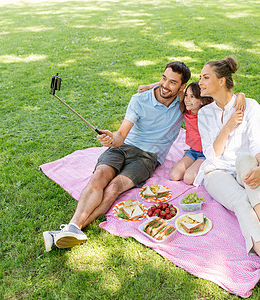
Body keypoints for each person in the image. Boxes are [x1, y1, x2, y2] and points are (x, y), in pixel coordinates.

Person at [43, 61, 191, 251]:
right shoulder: (139, 100)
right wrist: (112, 139)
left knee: (113, 188)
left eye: (172, 82)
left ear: (182, 87)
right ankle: (74, 227)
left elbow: (207, 89)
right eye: (163, 78)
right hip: (122, 147)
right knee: (99, 177)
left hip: (147, 157)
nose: (165, 85)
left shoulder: (183, 102)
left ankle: (69, 231)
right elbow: (121, 136)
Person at [196, 56, 260, 290]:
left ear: (222, 81)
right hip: (217, 172)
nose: (200, 82)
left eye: (205, 77)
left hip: (245, 166)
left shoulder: (250, 105)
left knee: (247, 159)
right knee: (242, 201)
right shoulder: (204, 114)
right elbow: (211, 156)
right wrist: (229, 124)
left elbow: (257, 145)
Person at [138, 81, 246, 185]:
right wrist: (149, 86)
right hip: (193, 151)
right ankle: (196, 165)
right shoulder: (186, 109)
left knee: (188, 178)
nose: (187, 100)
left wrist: (241, 95)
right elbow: (176, 87)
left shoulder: (209, 110)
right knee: (174, 175)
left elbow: (227, 98)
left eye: (192, 97)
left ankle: (210, 171)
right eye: (186, 96)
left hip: (207, 153)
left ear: (203, 100)